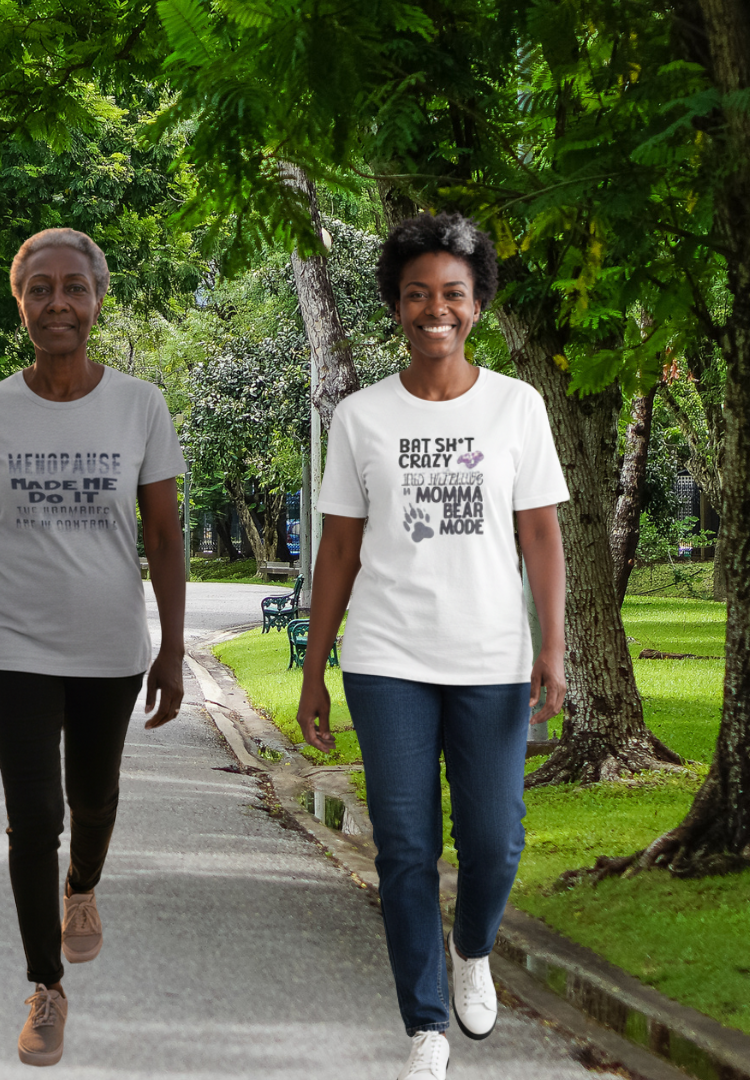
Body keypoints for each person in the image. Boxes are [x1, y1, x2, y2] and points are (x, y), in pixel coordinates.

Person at [296, 213, 568, 1080]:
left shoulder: (516, 406)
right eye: (418, 294)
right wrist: (314, 673)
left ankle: (473, 946)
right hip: (387, 661)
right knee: (405, 846)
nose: (435, 309)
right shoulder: (360, 416)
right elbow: (338, 549)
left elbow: (542, 539)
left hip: (490, 658)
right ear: (398, 306)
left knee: (494, 843)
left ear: (477, 303)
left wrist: (552, 648)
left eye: (453, 292)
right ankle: (425, 1027)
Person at [0, 228, 188, 1068]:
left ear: (98, 300)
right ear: (21, 301)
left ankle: (85, 889)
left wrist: (174, 648)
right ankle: (45, 988)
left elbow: (166, 532)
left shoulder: (140, 404)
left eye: (74, 287)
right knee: (34, 817)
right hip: (12, 644)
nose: (57, 303)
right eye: (40, 288)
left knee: (93, 799)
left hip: (110, 646)